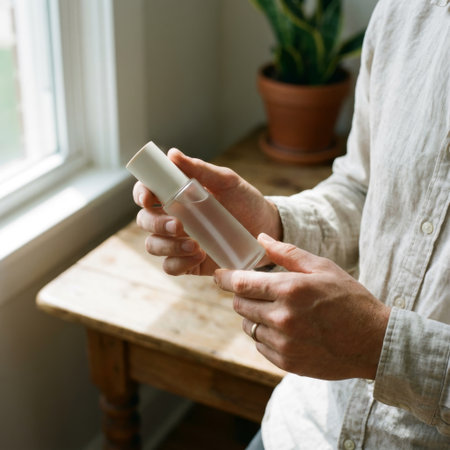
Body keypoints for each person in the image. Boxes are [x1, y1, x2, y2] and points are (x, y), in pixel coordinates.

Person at [133, 0, 449, 447]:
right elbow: (363, 189)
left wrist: (379, 347)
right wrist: (273, 221)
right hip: (303, 427)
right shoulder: (407, 12)